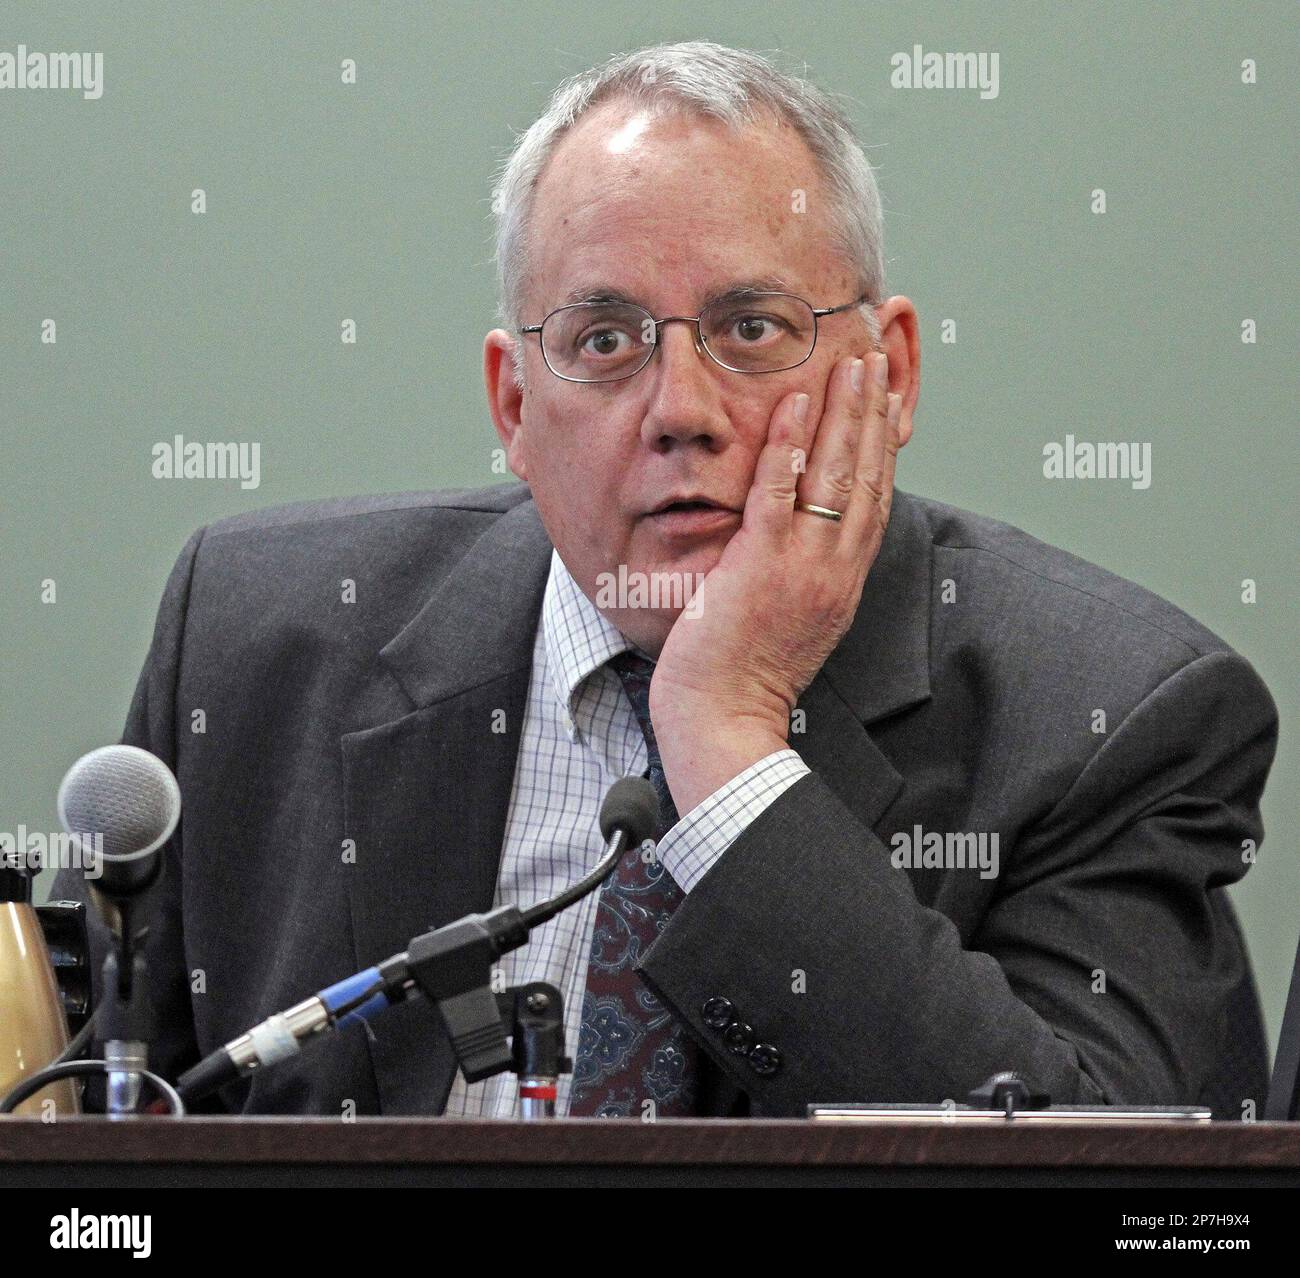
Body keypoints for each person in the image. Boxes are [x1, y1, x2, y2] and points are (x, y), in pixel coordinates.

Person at [54, 41, 1277, 1118]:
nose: (679, 412)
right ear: (514, 405)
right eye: (603, 341)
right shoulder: (257, 638)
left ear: (890, 374)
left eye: (751, 329)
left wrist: (728, 745)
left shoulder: (1115, 715)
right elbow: (96, 1136)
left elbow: (1120, 1194)